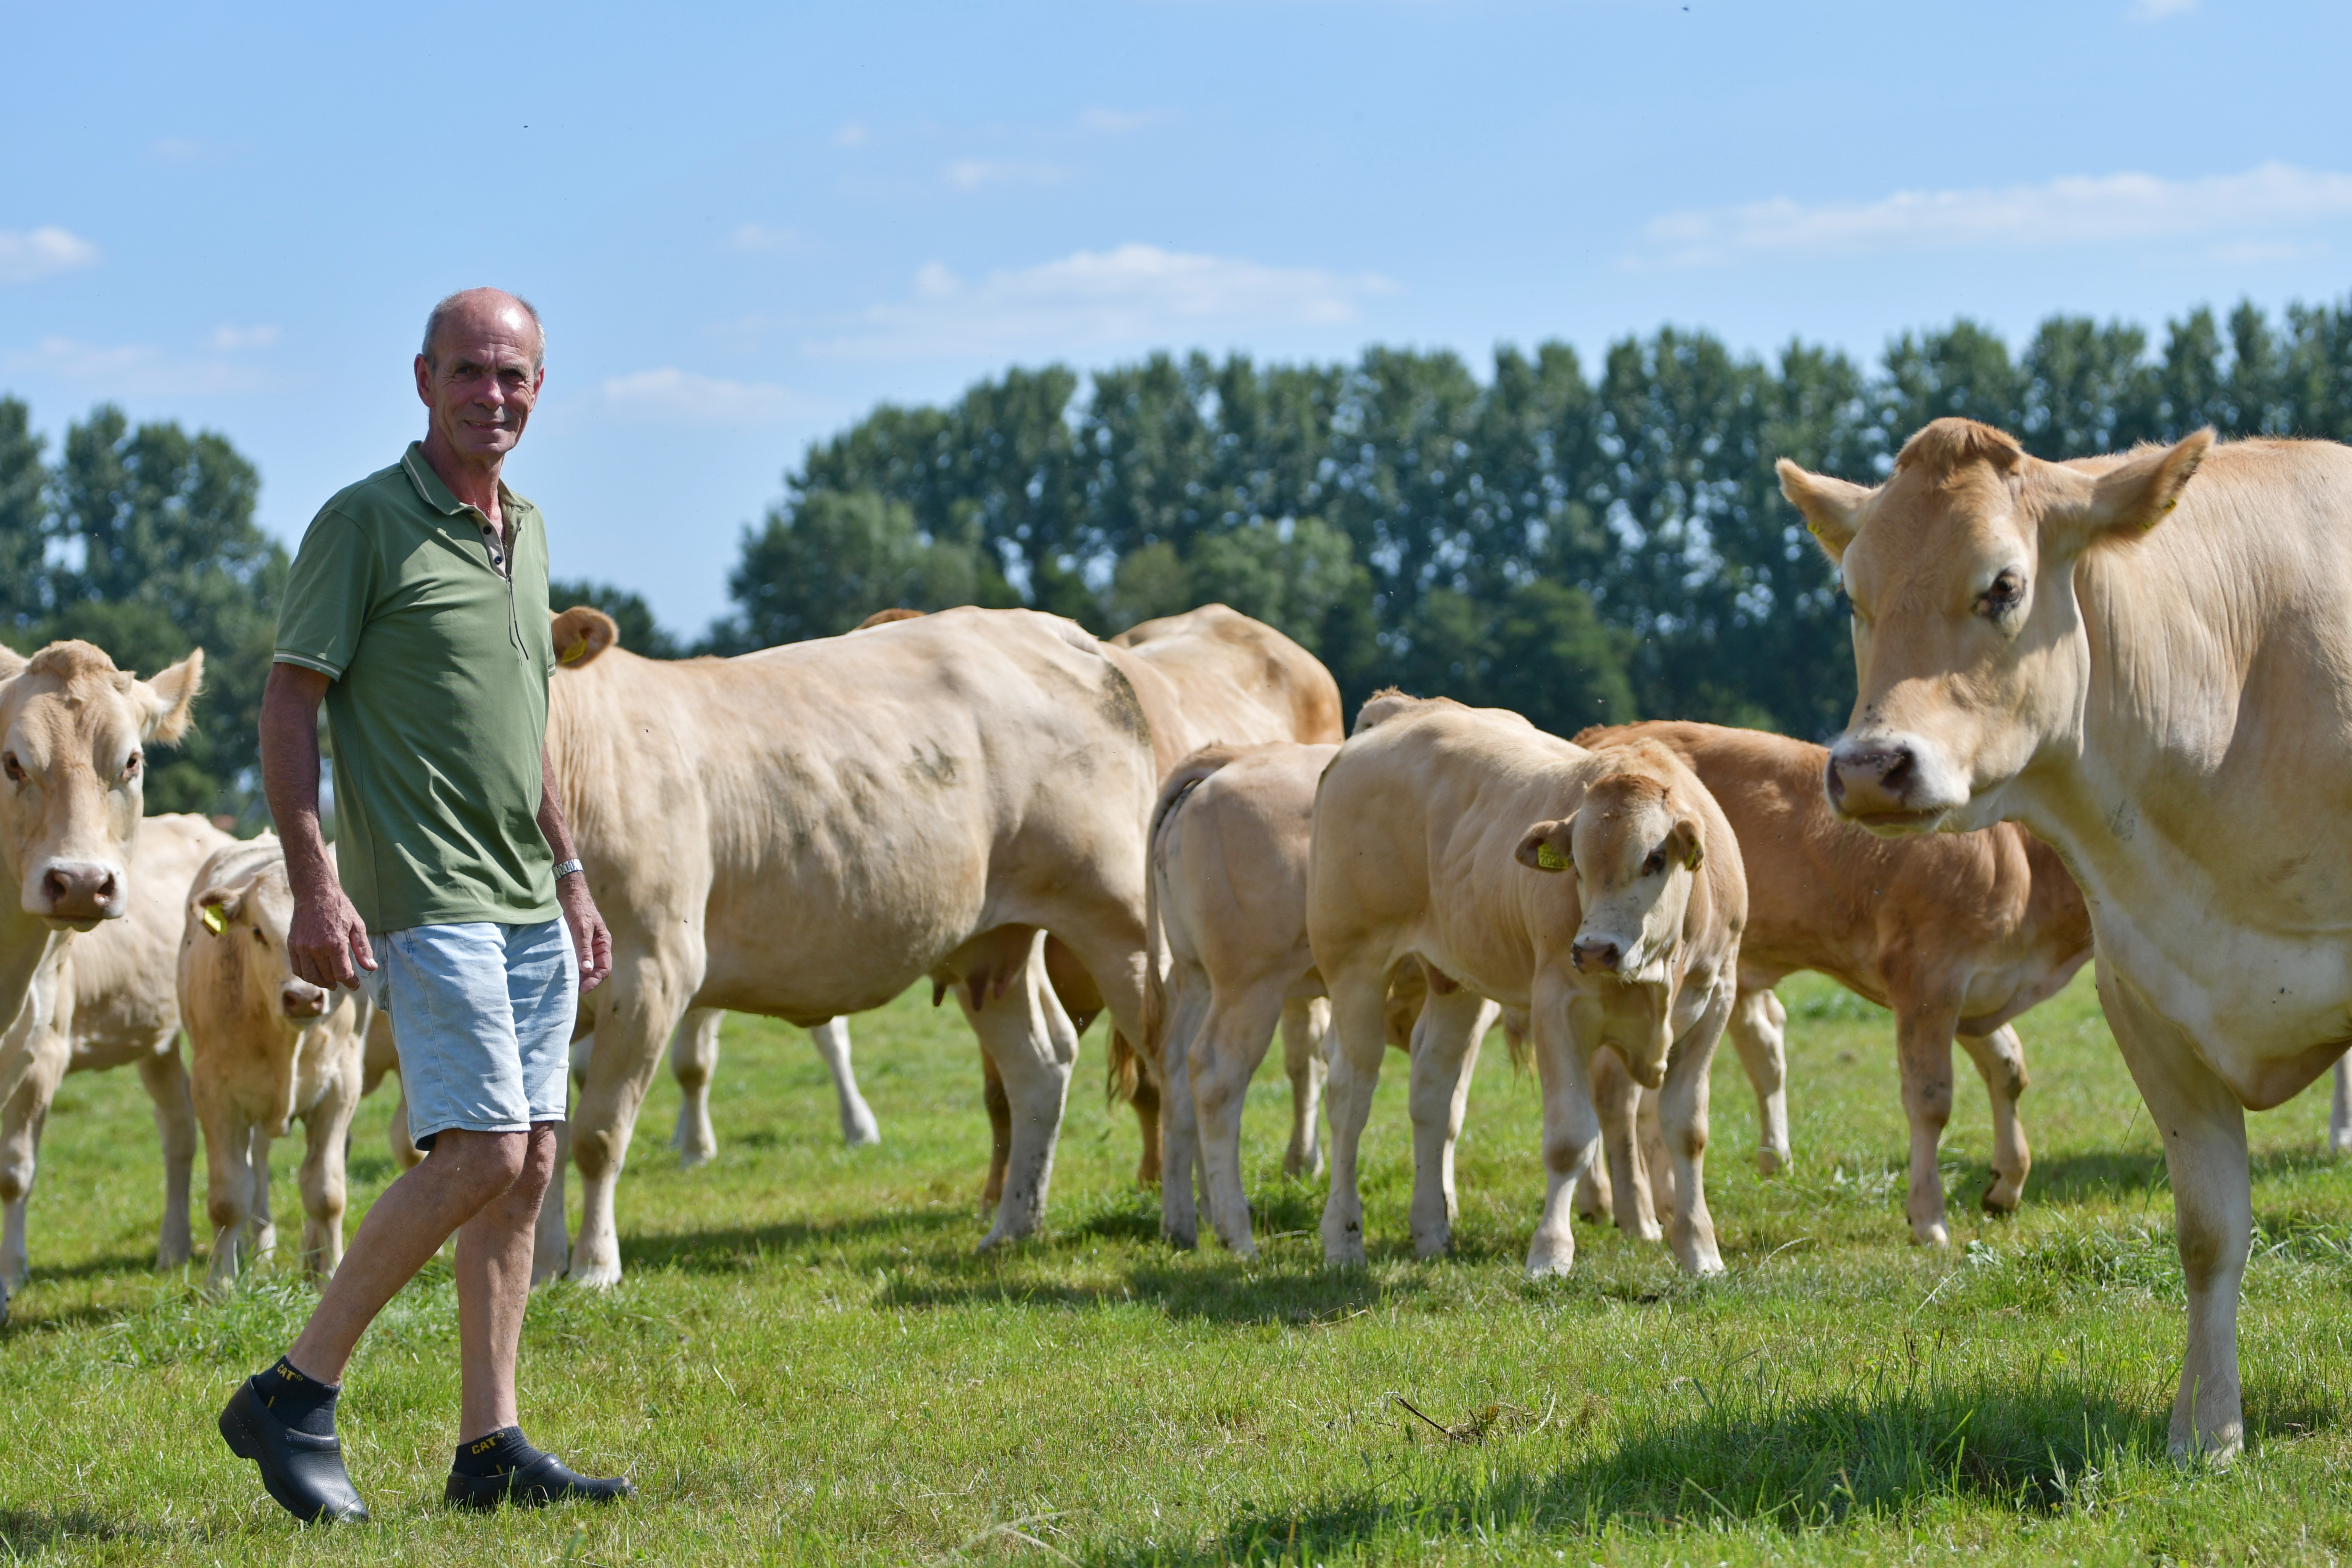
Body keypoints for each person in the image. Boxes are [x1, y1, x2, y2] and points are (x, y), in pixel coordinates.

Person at [218, 288, 629, 1522]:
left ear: (538, 391)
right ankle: (293, 1391)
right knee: (484, 1151)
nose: (490, 396)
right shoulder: (361, 525)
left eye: (513, 378)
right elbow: (290, 704)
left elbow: (527, 725)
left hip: (523, 889)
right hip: (427, 887)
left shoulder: (530, 531)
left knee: (532, 1159)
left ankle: (487, 1447)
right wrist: (311, 879)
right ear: (422, 379)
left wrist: (570, 871)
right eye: (468, 373)